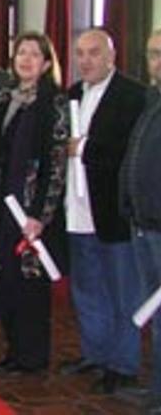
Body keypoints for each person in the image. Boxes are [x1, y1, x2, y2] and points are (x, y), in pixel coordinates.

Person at [59, 29, 146, 395]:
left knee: (121, 292)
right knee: (86, 289)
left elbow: (131, 152)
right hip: (77, 209)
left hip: (112, 212)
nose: (86, 60)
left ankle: (123, 364)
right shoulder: (73, 93)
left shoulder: (133, 95)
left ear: (112, 55)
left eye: (94, 53)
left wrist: (87, 148)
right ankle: (94, 353)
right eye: (80, 53)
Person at [0, 32, 67, 376]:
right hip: (5, 204)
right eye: (21, 52)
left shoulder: (54, 103)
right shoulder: (6, 99)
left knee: (32, 285)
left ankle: (32, 357)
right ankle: (15, 350)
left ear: (46, 63)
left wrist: (40, 216)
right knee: (7, 280)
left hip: (33, 210)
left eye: (35, 54)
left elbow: (56, 165)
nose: (26, 59)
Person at [119, 29, 161, 412]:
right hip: (144, 223)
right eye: (152, 54)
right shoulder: (153, 100)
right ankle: (155, 390)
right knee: (156, 317)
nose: (157, 62)